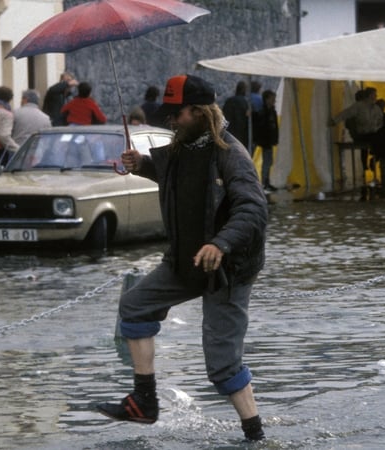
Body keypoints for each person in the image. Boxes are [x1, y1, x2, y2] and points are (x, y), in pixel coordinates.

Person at [95, 74, 268, 442]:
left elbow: (253, 209)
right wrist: (139, 164)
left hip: (227, 269)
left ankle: (255, 436)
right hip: (185, 260)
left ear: (200, 112)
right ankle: (144, 402)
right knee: (135, 306)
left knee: (222, 366)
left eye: (178, 114)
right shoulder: (182, 146)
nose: (171, 120)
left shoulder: (231, 155)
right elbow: (177, 178)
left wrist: (220, 244)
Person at [329, 87, 383, 171]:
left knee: (384, 137)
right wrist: (335, 121)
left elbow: (381, 121)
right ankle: (373, 158)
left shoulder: (376, 109)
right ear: (368, 96)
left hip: (373, 134)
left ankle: (375, 158)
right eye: (374, 94)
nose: (376, 96)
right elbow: (346, 113)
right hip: (361, 135)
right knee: (377, 139)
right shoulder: (359, 106)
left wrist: (378, 128)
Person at [253, 89, 279, 192]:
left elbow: (274, 126)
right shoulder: (261, 112)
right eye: (272, 99)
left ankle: (265, 182)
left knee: (268, 161)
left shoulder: (272, 111)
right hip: (262, 139)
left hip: (268, 140)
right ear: (267, 99)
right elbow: (259, 126)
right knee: (266, 161)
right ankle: (264, 183)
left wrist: (275, 138)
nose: (274, 101)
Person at [222, 81, 250, 148]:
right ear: (243, 90)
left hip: (229, 130)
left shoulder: (229, 100)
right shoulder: (244, 102)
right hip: (240, 132)